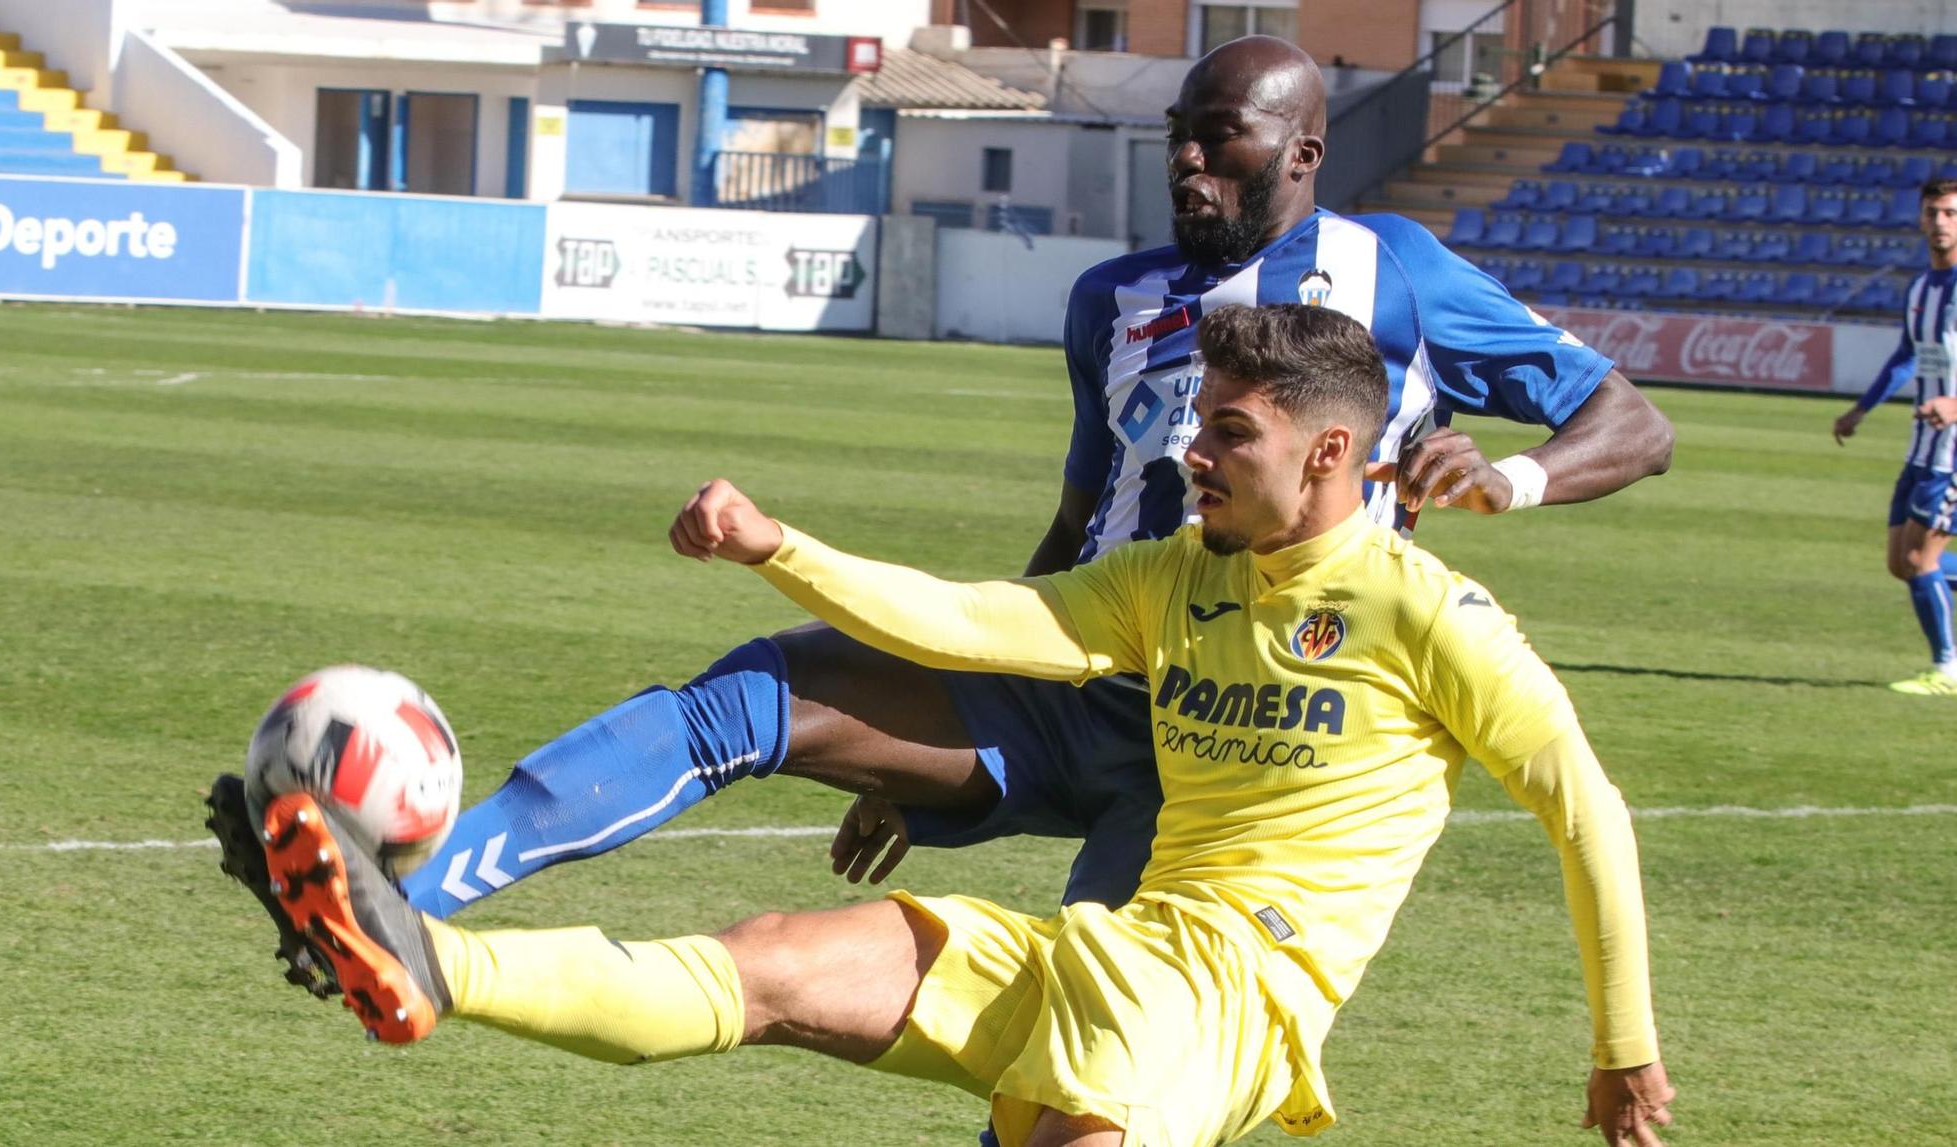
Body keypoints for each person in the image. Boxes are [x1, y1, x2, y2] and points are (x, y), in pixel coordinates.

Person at [209, 35, 1672, 995]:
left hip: (1238, 748)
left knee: (1079, 1058)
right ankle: (395, 909)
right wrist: (924, 721)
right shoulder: (1115, 301)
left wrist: (1517, 476)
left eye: (1220, 140)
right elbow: (1077, 525)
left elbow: (1632, 418)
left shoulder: (1394, 266)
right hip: (1070, 683)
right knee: (764, 687)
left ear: (1302, 154)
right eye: (1177, 134)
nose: (1185, 161)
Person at [230, 304, 1674, 1147]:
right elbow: (969, 620)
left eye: (1228, 431)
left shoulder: (1430, 613)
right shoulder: (1179, 571)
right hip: (1112, 946)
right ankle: (426, 957)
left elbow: (1583, 806)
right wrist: (774, 546)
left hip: (1235, 998)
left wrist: (1621, 1041)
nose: (1192, 449)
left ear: (1332, 452)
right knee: (778, 960)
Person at [1834, 178, 1957, 695]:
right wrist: (1861, 409)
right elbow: (1906, 357)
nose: (1940, 223)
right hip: (1921, 446)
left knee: (1917, 560)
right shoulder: (1922, 288)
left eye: (1950, 213)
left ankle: (1947, 669)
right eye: (1932, 213)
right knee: (1899, 563)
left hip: (1954, 453)